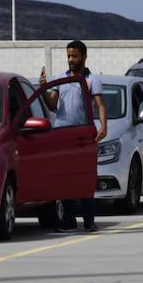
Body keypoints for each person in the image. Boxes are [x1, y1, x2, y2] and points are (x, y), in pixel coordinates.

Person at [39, 40, 108, 231]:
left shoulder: (92, 80)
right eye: (69, 56)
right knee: (65, 178)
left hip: (83, 136)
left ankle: (89, 221)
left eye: (75, 56)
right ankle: (69, 220)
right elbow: (52, 105)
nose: (71, 60)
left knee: (85, 177)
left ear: (84, 57)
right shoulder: (61, 78)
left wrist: (103, 126)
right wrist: (44, 88)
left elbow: (100, 105)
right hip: (62, 134)